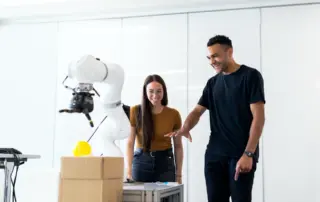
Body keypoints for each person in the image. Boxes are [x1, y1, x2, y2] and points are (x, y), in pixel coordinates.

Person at [166, 35, 266, 202]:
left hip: (240, 155)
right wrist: (186, 127)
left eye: (215, 55)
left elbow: (259, 117)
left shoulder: (250, 76)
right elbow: (197, 111)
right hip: (215, 155)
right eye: (209, 57)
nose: (212, 61)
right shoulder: (212, 83)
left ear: (230, 52)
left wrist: (249, 153)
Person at [126, 74, 188, 184]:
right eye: (151, 91)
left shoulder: (173, 114)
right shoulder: (135, 111)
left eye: (159, 91)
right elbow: (130, 143)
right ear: (145, 92)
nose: (155, 95)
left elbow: (178, 146)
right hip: (141, 162)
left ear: (164, 91)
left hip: (165, 163)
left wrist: (178, 175)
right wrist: (129, 171)